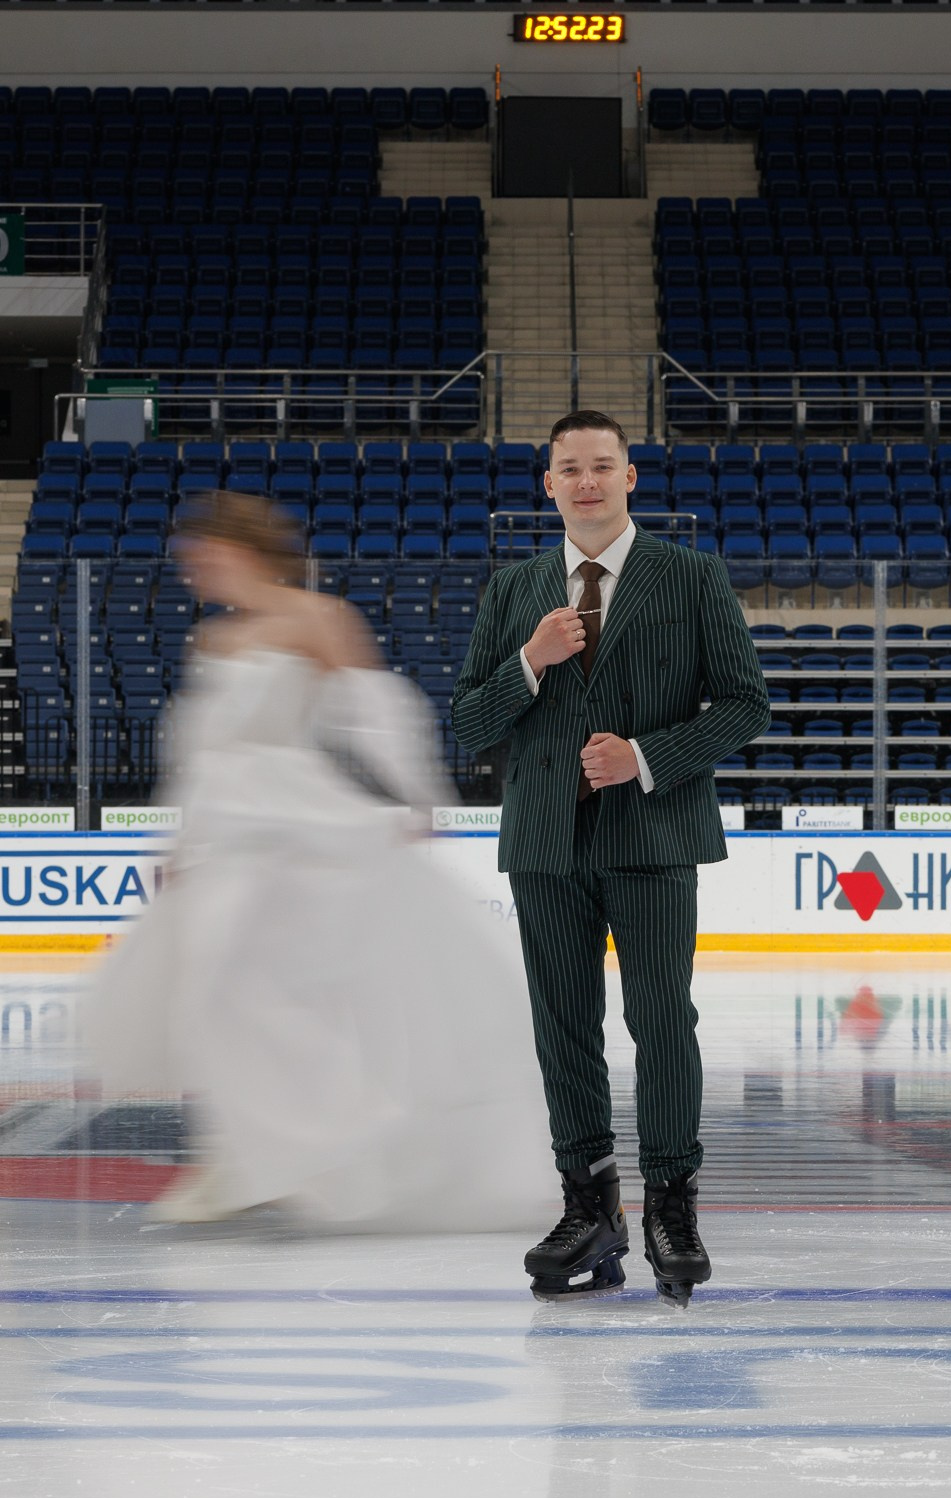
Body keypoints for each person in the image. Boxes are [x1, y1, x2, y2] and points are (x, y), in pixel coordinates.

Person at [89, 491, 553, 1233]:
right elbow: (199, 755)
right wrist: (177, 842)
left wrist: (415, 796)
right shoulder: (213, 638)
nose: (193, 570)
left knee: (278, 992)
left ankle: (323, 1138)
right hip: (228, 836)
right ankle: (254, 1153)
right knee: (213, 989)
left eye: (203, 554)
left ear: (241, 549)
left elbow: (376, 714)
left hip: (300, 831)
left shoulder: (318, 619)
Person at [451, 411, 770, 1306]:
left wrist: (646, 757)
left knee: (661, 1021)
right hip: (545, 843)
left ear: (630, 477)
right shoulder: (514, 590)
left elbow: (745, 704)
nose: (586, 482)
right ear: (548, 484)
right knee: (563, 1026)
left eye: (602, 466)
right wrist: (530, 661)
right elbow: (469, 722)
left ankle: (672, 1207)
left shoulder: (691, 577)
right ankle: (588, 1207)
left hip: (653, 834)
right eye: (570, 469)